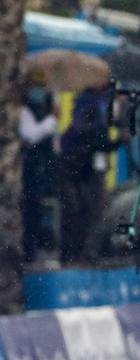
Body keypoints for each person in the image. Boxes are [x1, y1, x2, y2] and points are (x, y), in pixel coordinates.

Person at [58, 84, 119, 264]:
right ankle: (82, 255)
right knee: (89, 213)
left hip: (81, 166)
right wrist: (116, 142)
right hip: (82, 168)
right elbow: (96, 139)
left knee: (80, 213)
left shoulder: (90, 104)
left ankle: (74, 254)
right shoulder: (92, 105)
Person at [20, 72, 59, 264]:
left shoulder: (43, 109)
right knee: (28, 211)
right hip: (28, 171)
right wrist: (51, 120)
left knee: (35, 211)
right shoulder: (24, 110)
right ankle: (27, 252)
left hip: (40, 170)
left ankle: (32, 250)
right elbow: (30, 135)